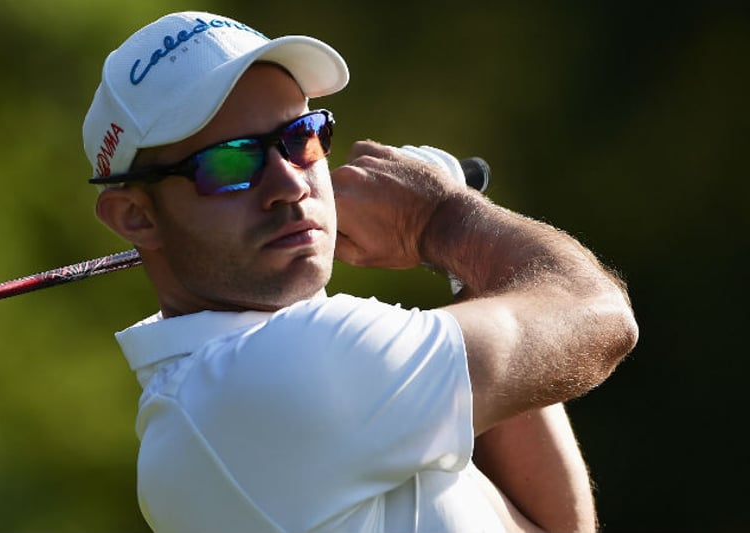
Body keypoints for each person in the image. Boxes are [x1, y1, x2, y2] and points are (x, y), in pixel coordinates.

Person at [81, 11, 638, 533]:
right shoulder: (277, 373)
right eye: (229, 162)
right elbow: (600, 316)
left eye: (300, 138)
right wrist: (441, 219)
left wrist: (462, 263)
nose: (292, 184)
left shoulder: (220, 396)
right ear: (135, 215)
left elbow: (557, 525)